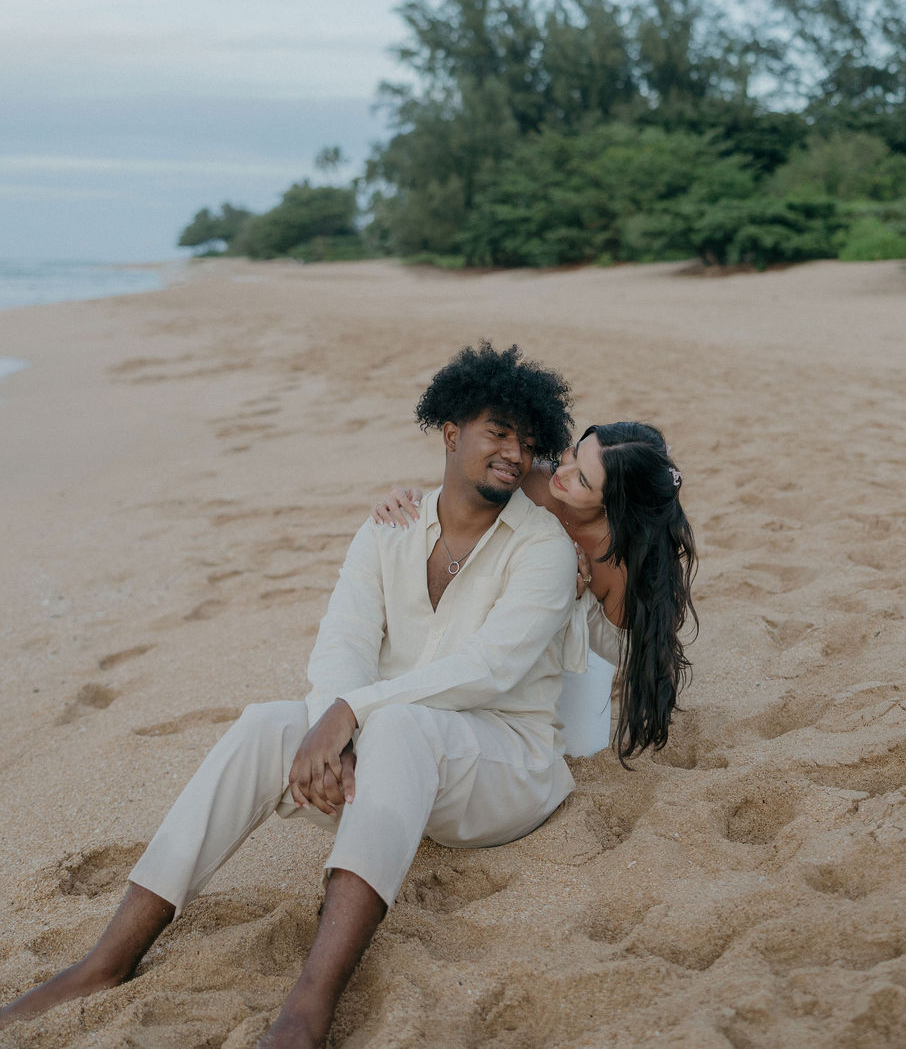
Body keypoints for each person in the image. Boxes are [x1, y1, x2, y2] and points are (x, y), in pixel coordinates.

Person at [0, 342, 583, 1049]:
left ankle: (307, 1009)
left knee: (397, 725)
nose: (514, 455)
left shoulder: (542, 547)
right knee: (263, 726)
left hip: (502, 766)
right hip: (396, 769)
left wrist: (350, 714)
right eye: (498, 433)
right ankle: (107, 960)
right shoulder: (389, 526)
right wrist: (324, 729)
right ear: (451, 432)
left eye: (527, 443)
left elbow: (489, 669)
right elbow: (342, 642)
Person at [374, 420, 698, 764]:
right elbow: (457, 510)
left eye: (582, 480)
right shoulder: (532, 481)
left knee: (574, 751)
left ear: (612, 503)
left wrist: (578, 600)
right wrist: (410, 499)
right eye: (573, 453)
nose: (565, 471)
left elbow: (622, 650)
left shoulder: (618, 558)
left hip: (571, 653)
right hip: (491, 617)